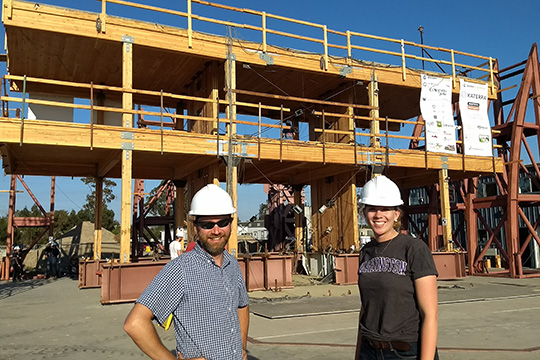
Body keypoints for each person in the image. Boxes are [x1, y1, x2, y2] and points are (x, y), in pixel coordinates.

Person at [124, 184, 250, 360]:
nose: (216, 231)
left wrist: (241, 348)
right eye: (207, 224)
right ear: (196, 227)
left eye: (222, 223)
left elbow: (242, 305)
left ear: (230, 223)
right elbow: (135, 323)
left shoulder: (232, 265)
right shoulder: (180, 270)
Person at [355, 175, 439, 360]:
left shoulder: (415, 249)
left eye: (385, 209)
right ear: (364, 213)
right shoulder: (365, 252)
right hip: (369, 350)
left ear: (396, 214)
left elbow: (430, 315)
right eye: (372, 209)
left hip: (404, 353)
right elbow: (366, 309)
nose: (378, 215)